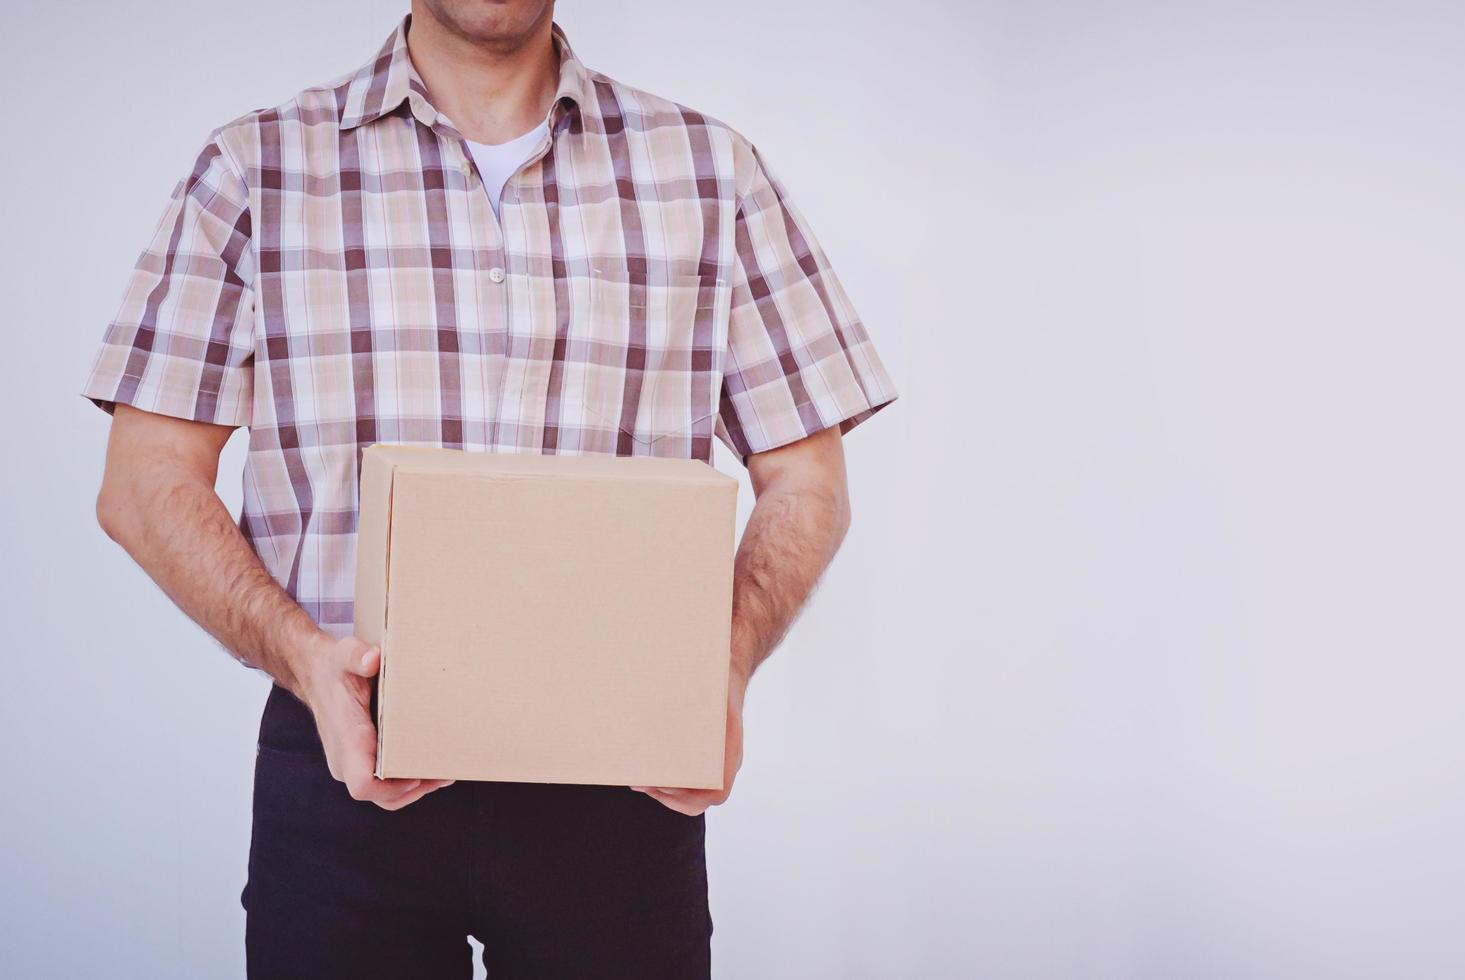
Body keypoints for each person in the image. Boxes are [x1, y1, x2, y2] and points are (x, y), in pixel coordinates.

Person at [83, 2, 896, 976]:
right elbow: (143, 480)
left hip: (623, 782)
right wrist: (306, 662)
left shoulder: (711, 173)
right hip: (344, 759)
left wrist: (718, 663)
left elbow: (807, 476)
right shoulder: (255, 171)